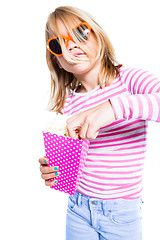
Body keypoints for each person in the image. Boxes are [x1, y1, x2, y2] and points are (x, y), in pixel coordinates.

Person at [39, 6, 160, 240]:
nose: (72, 45)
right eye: (58, 43)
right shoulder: (69, 103)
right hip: (78, 209)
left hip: (121, 214)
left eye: (81, 33)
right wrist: (55, 168)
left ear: (99, 36)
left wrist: (114, 107)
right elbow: (80, 161)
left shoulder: (129, 80)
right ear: (58, 62)